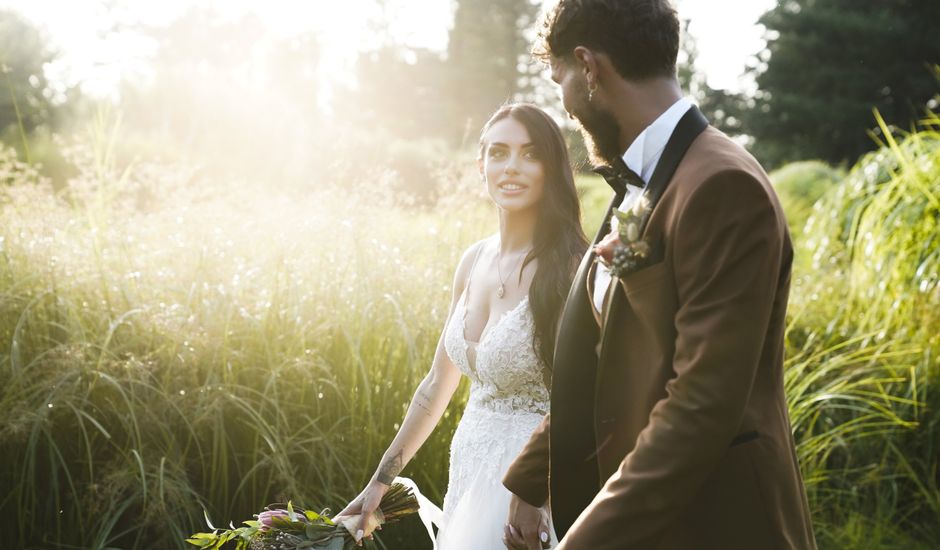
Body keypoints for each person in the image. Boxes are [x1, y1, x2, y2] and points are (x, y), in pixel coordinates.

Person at [502, 1, 818, 549]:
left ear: (589, 66)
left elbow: (701, 404)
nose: (566, 105)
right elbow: (607, 357)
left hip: (714, 519)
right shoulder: (640, 182)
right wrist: (532, 478)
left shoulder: (721, 185)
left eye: (561, 80)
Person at [336, 103, 587, 549]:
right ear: (480, 164)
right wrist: (379, 483)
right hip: (469, 471)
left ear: (553, 168)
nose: (512, 167)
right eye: (499, 153)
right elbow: (435, 388)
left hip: (530, 491)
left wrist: (536, 490)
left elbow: (583, 395)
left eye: (531, 155)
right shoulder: (473, 260)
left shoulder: (569, 268)